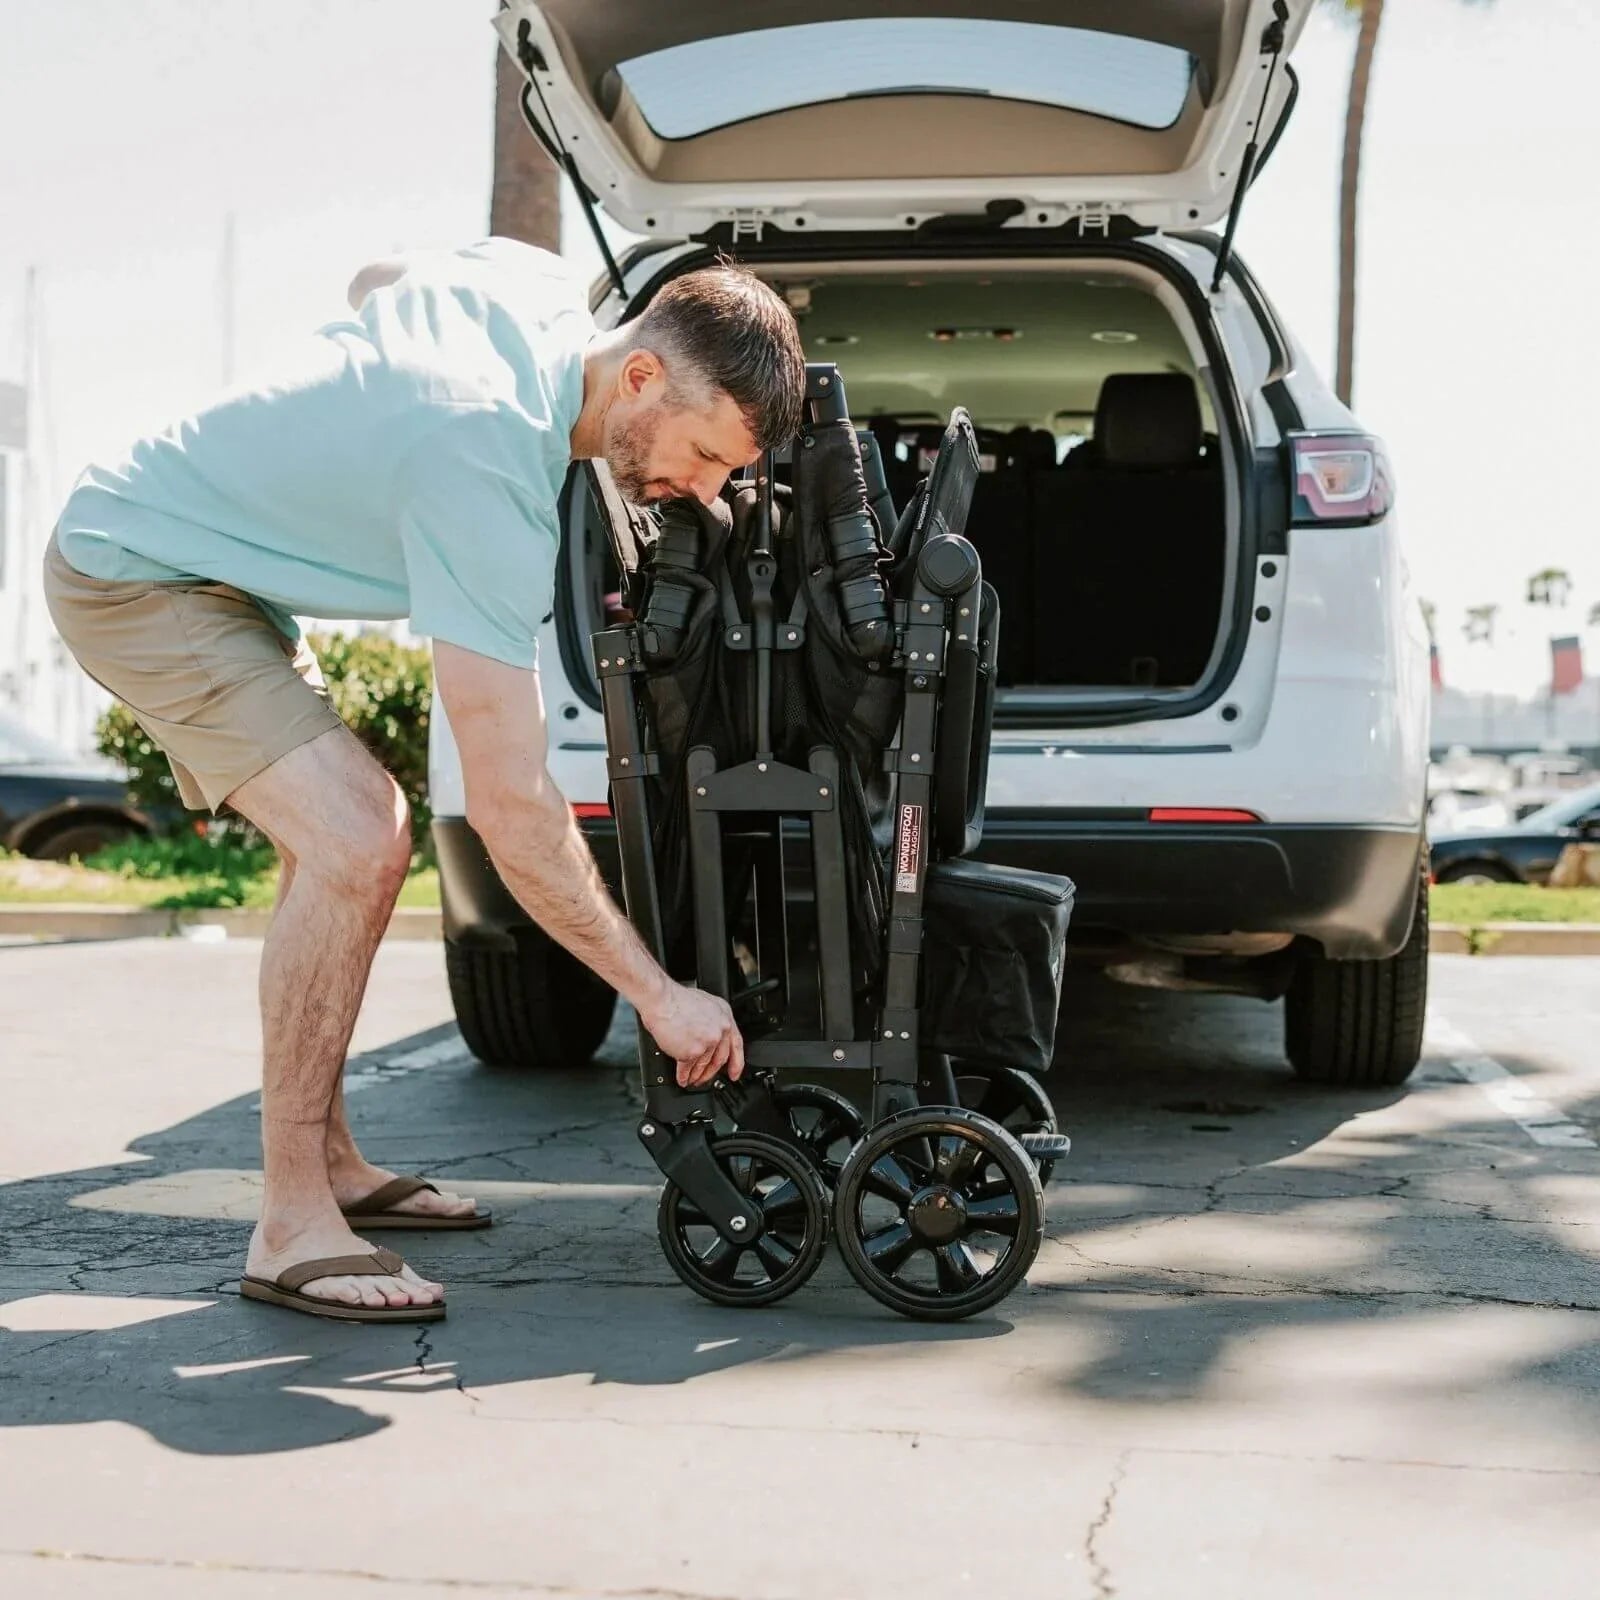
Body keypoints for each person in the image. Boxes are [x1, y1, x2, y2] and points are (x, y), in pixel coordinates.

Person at [43, 239, 808, 1323]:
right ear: (640, 376)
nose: (704, 491)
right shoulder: (485, 466)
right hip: (133, 568)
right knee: (362, 838)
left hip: (226, 569)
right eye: (700, 453)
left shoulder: (541, 289)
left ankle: (335, 1158)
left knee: (345, 843)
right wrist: (659, 996)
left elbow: (375, 279)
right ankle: (292, 1221)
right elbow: (508, 806)